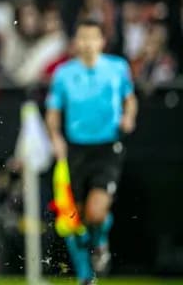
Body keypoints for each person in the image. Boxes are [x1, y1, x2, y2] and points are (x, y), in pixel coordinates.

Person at [45, 19, 137, 284]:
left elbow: (130, 99)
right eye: (82, 38)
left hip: (107, 147)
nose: (86, 44)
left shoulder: (117, 68)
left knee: (96, 213)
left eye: (92, 38)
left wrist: (129, 117)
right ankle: (86, 276)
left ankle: (100, 242)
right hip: (75, 150)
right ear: (76, 42)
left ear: (101, 41)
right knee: (74, 218)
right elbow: (53, 111)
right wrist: (55, 137)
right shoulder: (63, 73)